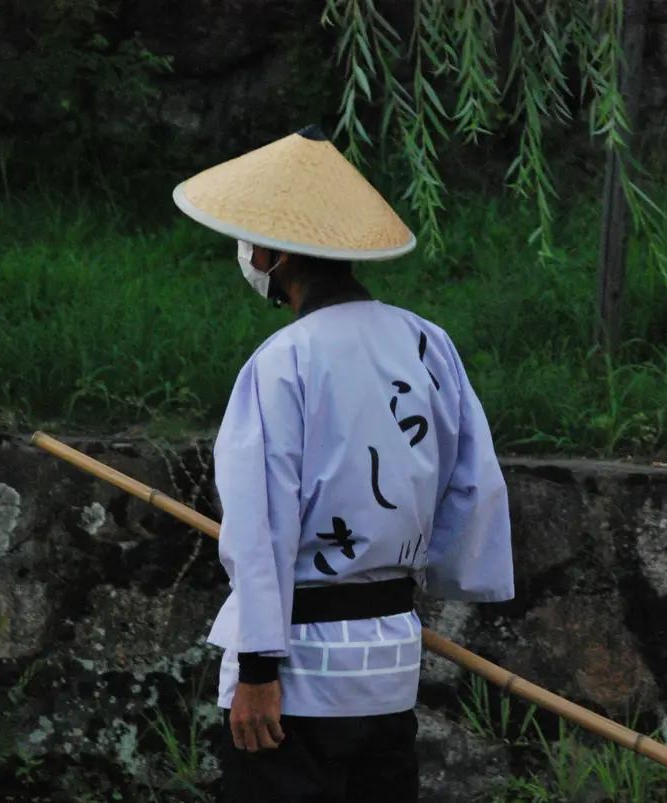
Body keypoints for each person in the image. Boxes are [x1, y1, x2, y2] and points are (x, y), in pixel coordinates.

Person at [171, 124, 515, 802]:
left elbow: (261, 528)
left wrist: (258, 668)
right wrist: (432, 580)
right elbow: (473, 482)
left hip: (296, 679)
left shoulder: (282, 364)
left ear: (273, 254)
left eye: (250, 242)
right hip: (390, 658)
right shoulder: (427, 343)